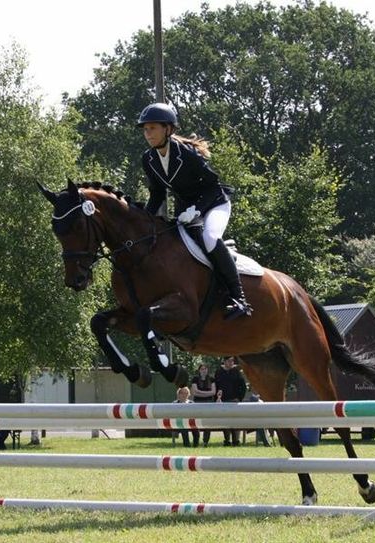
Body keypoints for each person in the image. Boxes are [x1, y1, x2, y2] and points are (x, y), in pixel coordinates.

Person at [137, 102, 252, 320]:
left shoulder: (187, 154)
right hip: (185, 211)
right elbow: (158, 195)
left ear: (168, 129)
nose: (147, 133)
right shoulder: (149, 159)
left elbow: (213, 184)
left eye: (152, 128)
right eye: (145, 129)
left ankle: (240, 299)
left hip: (214, 203)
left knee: (209, 238)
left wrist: (197, 210)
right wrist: (143, 218)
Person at [214, 356, 247, 446]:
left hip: (234, 400)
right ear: (224, 361)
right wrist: (217, 398)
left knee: (236, 421)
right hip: (223, 400)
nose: (231, 363)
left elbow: (243, 386)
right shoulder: (219, 371)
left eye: (232, 361)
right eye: (229, 361)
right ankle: (227, 440)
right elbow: (216, 385)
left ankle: (236, 440)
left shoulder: (236, 372)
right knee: (225, 421)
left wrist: (239, 398)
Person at [189, 363, 216, 446]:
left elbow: (213, 392)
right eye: (202, 369)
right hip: (197, 403)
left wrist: (200, 392)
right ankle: (196, 441)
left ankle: (205, 442)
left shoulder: (212, 379)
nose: (203, 370)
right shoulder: (195, 379)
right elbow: (194, 392)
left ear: (207, 370)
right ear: (199, 370)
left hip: (209, 403)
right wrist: (207, 393)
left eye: (205, 369)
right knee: (196, 422)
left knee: (208, 423)